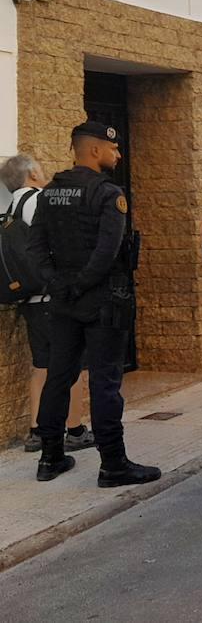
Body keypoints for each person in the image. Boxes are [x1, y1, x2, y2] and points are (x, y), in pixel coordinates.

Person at [29, 122, 159, 486]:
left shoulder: (50, 191)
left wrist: (59, 284)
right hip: (103, 298)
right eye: (114, 150)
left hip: (63, 299)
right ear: (95, 151)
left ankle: (50, 457)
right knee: (105, 382)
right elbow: (108, 250)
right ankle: (113, 464)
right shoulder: (107, 193)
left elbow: (36, 246)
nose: (118, 156)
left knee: (59, 376)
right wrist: (82, 284)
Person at [1, 155, 95, 454]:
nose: (43, 173)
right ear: (31, 174)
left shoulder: (10, 207)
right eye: (39, 169)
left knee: (41, 365)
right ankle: (75, 429)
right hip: (51, 297)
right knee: (74, 365)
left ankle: (36, 432)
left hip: (28, 299)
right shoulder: (39, 201)